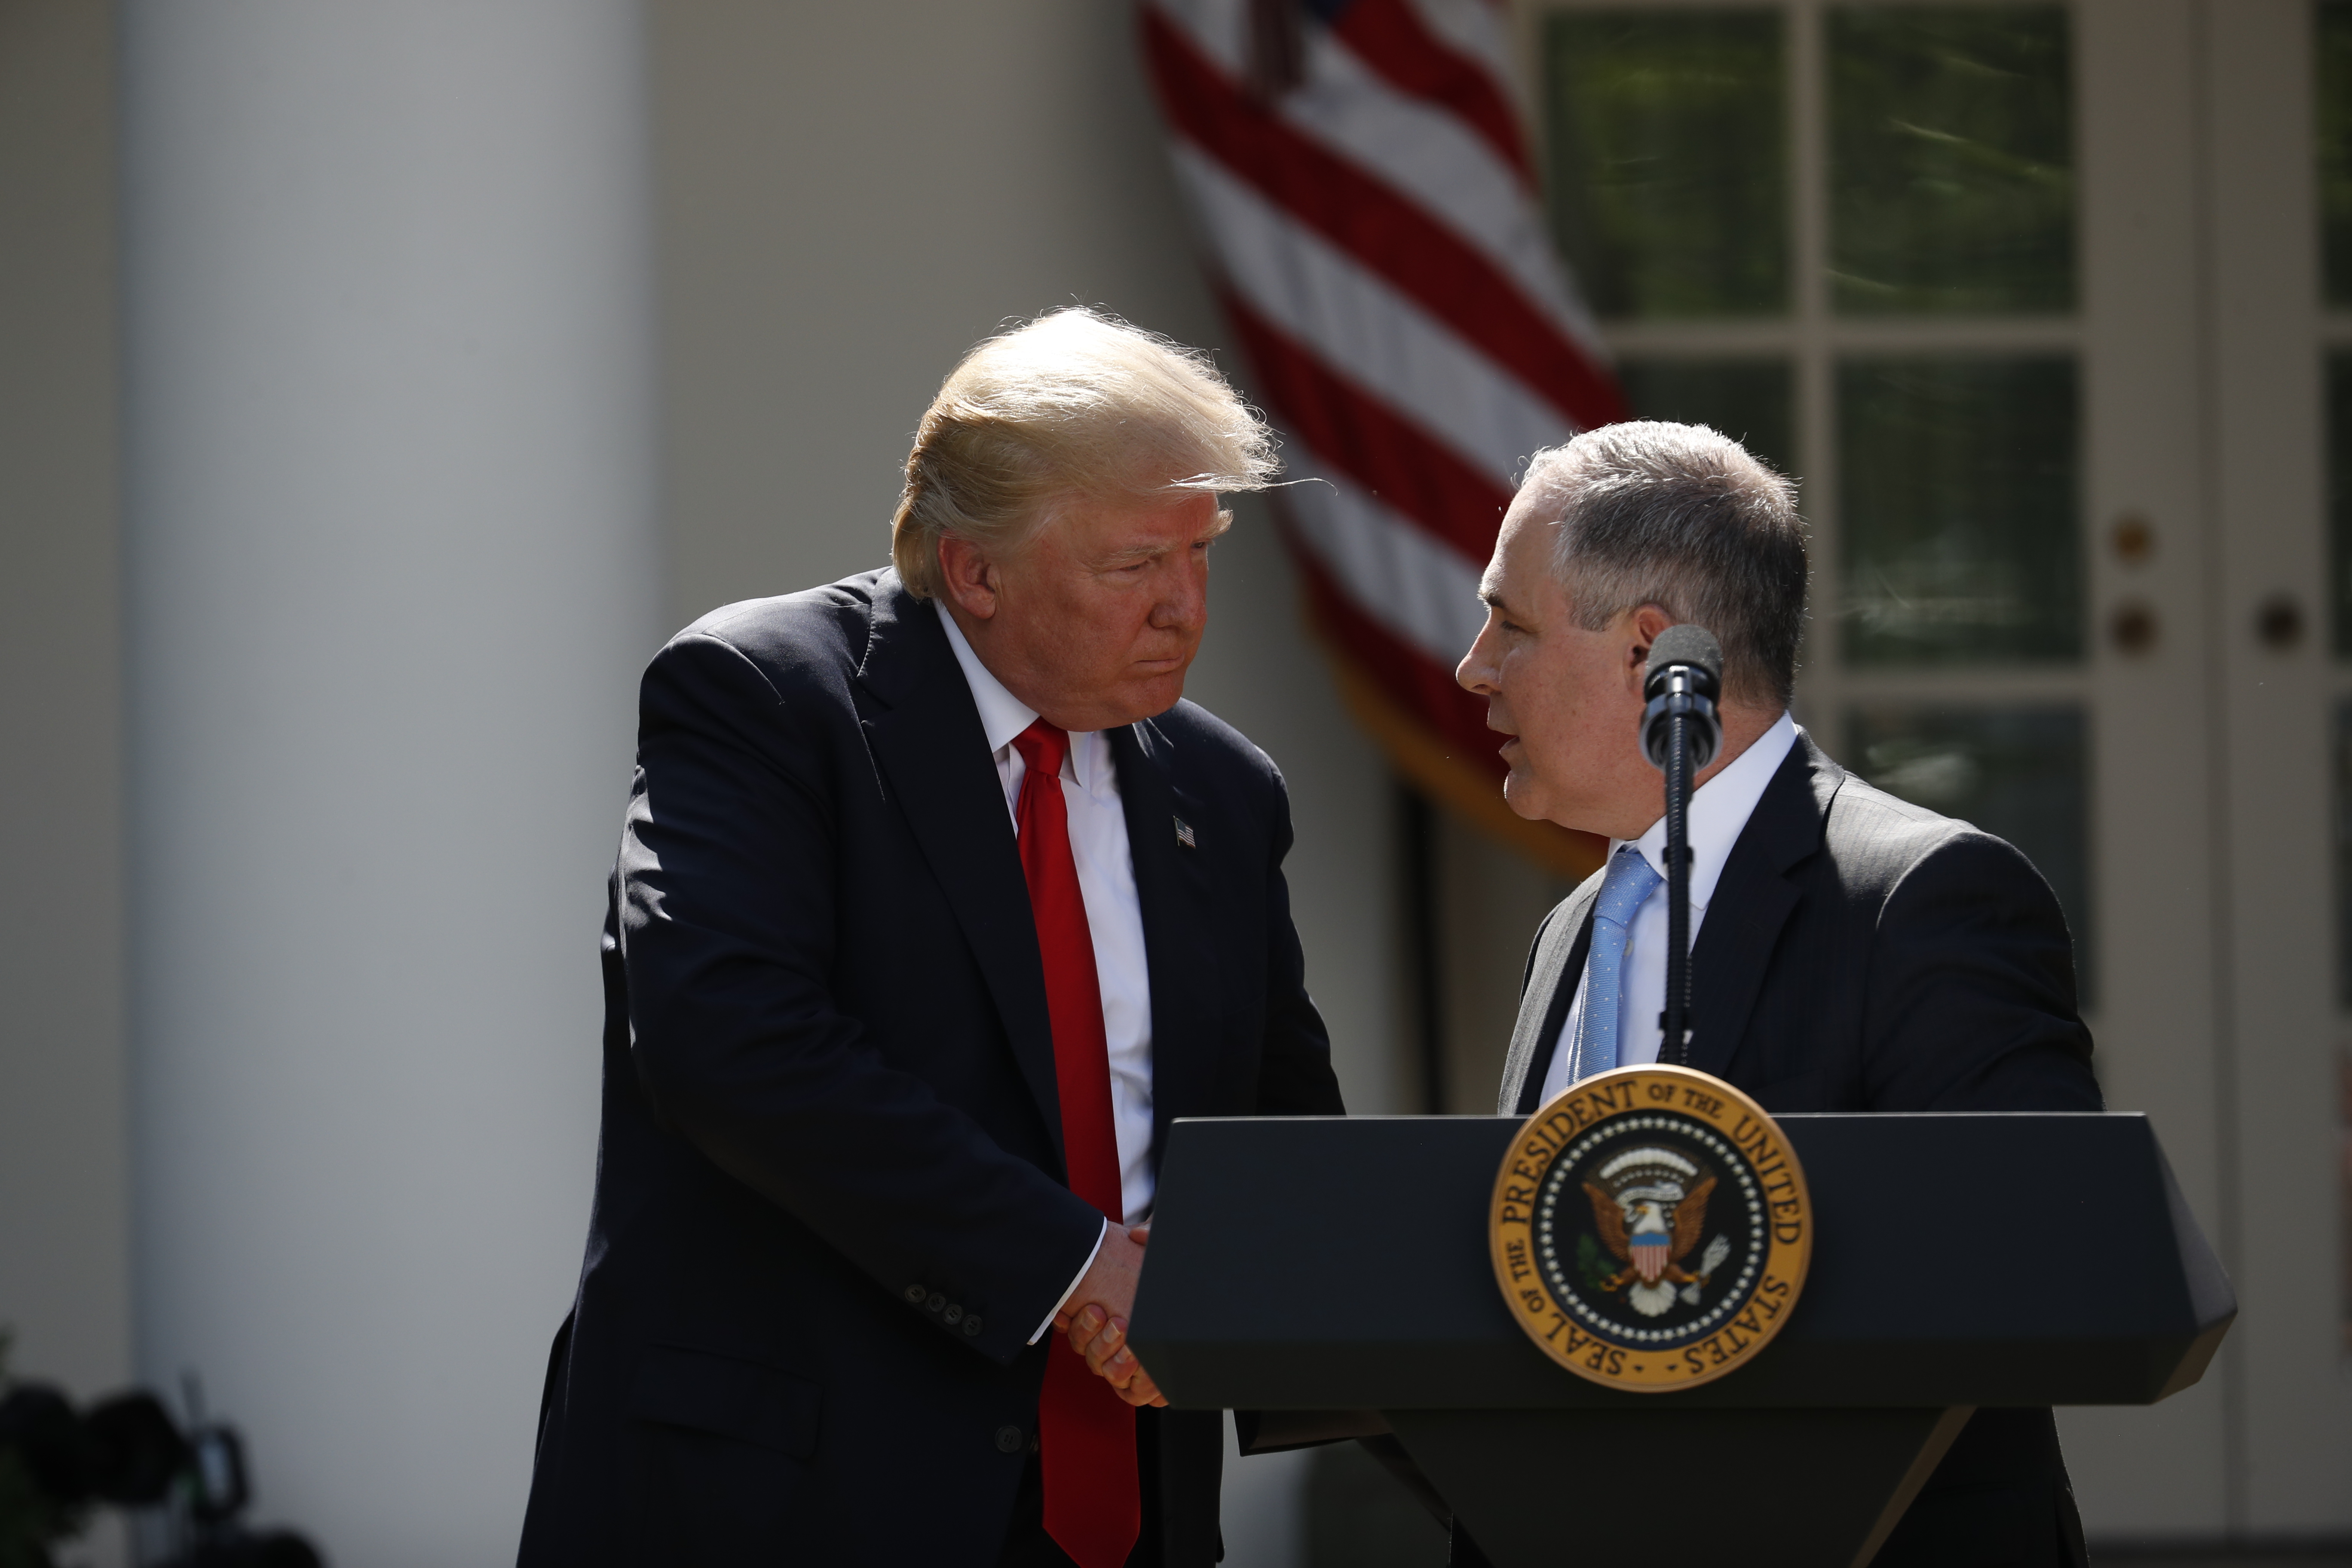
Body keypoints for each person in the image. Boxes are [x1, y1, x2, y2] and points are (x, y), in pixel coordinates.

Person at [516, 308, 1345, 1568]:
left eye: (1202, 554)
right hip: (791, 1505)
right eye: (1135, 566)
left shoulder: (1224, 793)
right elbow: (730, 1042)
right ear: (975, 571)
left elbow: (1280, 1133)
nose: (1185, 606)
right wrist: (1076, 1268)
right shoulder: (768, 699)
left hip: (1123, 1518)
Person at [1452, 421, 2099, 1568]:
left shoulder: (1924, 900)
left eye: (1510, 624)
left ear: (1653, 655)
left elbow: (2038, 1263)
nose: (1474, 667)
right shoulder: (1575, 929)